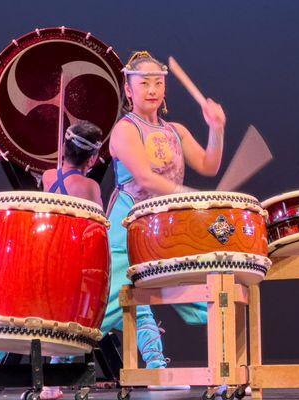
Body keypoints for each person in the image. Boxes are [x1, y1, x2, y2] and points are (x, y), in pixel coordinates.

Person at [100, 50, 226, 385]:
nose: (152, 89)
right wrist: (190, 196)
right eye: (144, 83)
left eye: (158, 82)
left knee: (205, 292)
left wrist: (216, 128)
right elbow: (144, 178)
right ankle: (15, 366)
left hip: (164, 227)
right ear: (129, 90)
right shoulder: (125, 130)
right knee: (104, 308)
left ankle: (222, 368)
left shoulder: (177, 131)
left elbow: (209, 165)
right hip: (127, 228)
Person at [0, 121, 104, 400]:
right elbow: (95, 230)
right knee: (66, 323)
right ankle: (51, 383)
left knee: (18, 320)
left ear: (63, 148)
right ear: (94, 158)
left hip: (40, 259)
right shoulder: (90, 188)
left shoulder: (49, 176)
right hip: (66, 265)